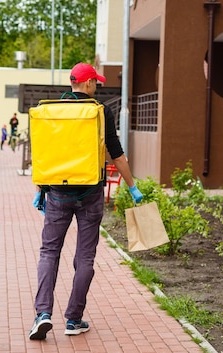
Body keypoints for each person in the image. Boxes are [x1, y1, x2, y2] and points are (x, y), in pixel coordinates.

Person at [28, 62, 143, 340]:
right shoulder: (101, 112)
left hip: (56, 193)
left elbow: (47, 153)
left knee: (49, 252)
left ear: (71, 83)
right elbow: (116, 152)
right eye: (96, 82)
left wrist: (41, 187)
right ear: (89, 84)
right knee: (85, 257)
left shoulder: (51, 110)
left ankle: (42, 314)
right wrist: (132, 186)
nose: (97, 87)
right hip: (90, 194)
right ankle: (73, 319)